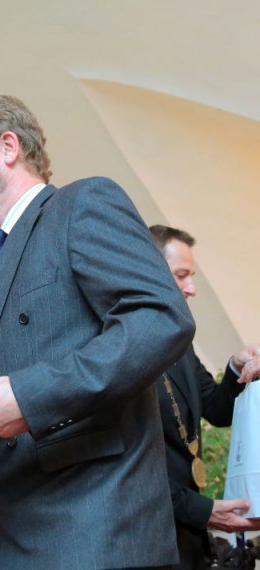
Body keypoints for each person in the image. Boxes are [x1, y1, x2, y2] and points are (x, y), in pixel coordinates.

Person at [0, 94, 196, 569]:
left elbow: (160, 318)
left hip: (90, 533)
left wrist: (30, 396)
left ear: (8, 146)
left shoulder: (83, 203)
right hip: (7, 532)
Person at [148, 224, 260, 569]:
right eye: (181, 275)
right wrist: (204, 511)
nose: (192, 288)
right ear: (149, 270)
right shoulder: (119, 346)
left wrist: (235, 367)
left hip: (188, 534)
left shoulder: (180, 343)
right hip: (150, 532)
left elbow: (216, 409)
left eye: (192, 276)